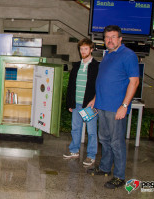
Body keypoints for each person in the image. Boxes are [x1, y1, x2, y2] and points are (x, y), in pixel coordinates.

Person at [87, 25, 139, 189]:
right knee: (104, 140)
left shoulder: (128, 55)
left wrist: (124, 105)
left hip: (116, 108)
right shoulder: (107, 55)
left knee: (117, 142)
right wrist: (95, 98)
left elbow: (134, 81)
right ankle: (104, 168)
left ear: (120, 39)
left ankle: (119, 176)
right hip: (102, 105)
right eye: (107, 37)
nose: (110, 40)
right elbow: (103, 80)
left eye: (113, 37)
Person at [63, 38, 99, 166]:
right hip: (77, 104)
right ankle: (74, 151)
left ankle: (91, 156)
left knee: (92, 131)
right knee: (75, 128)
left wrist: (95, 100)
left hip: (89, 105)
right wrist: (70, 103)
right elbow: (71, 86)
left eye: (85, 49)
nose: (83, 51)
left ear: (91, 49)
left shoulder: (96, 66)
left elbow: (100, 86)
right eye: (81, 49)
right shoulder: (77, 65)